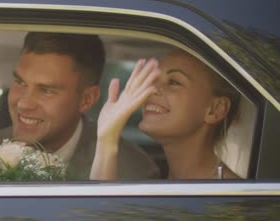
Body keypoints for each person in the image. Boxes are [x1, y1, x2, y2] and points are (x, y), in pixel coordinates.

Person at [0, 32, 160, 181]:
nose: (23, 103)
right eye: (20, 82)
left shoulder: (133, 171)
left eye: (46, 90)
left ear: (87, 100)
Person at [90, 50, 240, 180]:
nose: (151, 89)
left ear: (216, 110)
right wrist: (106, 139)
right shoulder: (159, 183)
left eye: (174, 82)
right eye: (153, 80)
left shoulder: (234, 199)